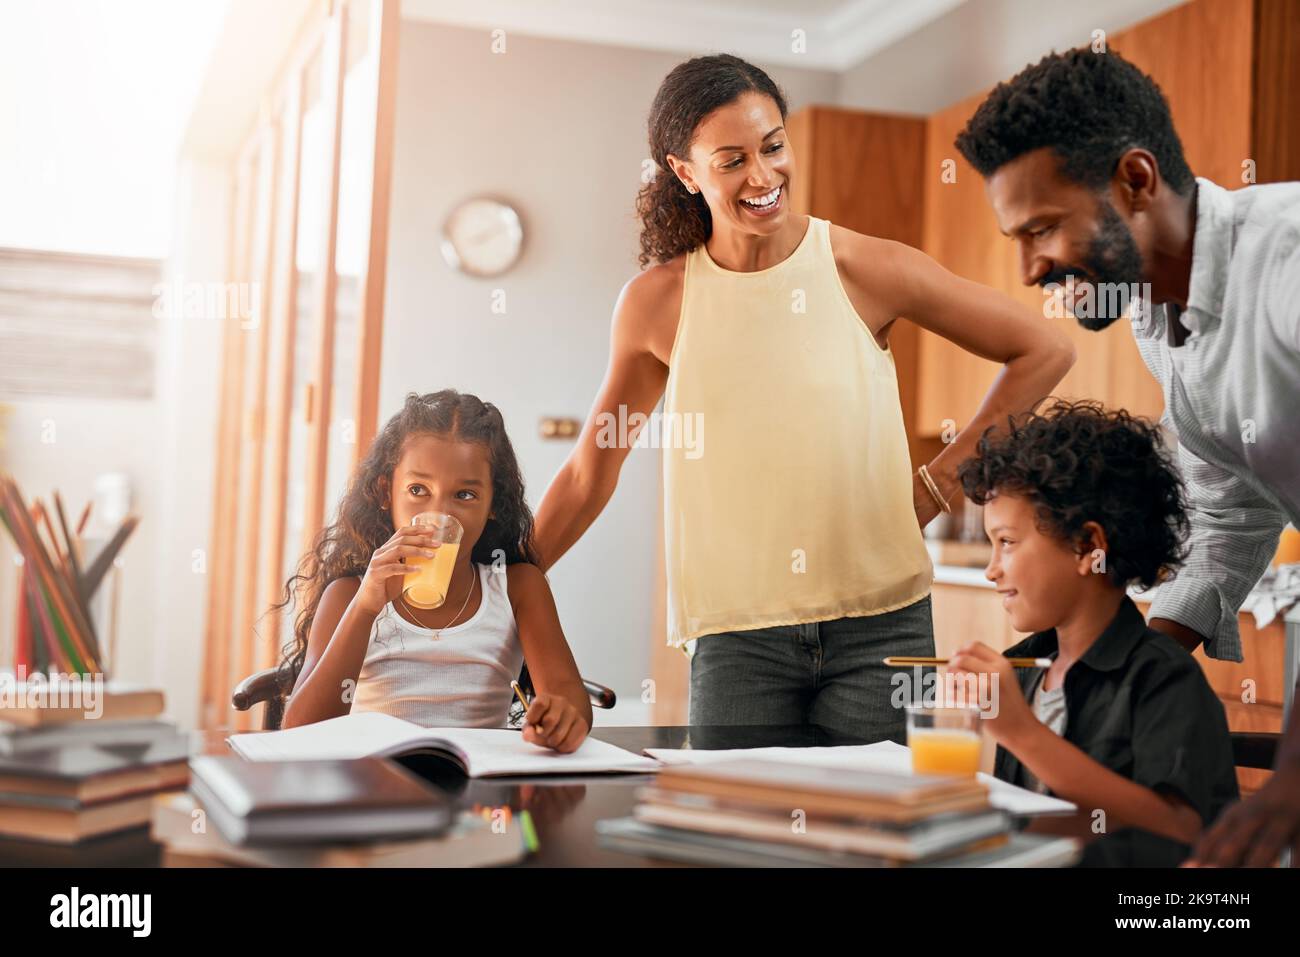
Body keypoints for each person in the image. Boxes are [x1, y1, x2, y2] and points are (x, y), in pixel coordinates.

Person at [533, 54, 1074, 740]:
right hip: (738, 639)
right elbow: (590, 472)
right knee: (740, 843)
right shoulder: (658, 305)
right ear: (685, 172)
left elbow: (1046, 348)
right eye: (731, 160)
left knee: (865, 842)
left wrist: (938, 482)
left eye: (774, 146)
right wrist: (503, 584)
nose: (762, 176)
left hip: (880, 626)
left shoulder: (864, 267)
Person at [955, 44, 1300, 864]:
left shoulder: (1285, 268)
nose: (1030, 266)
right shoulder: (1154, 311)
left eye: (1041, 228)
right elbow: (1229, 508)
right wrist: (1125, 663)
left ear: (1136, 182)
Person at [949, 400, 1238, 844]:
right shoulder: (1021, 670)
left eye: (1006, 542)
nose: (991, 569)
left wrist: (1021, 733)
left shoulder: (1163, 680)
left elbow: (1182, 828)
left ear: (1087, 547)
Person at [272, 390, 592, 752]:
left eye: (465, 495)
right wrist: (365, 608)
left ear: (494, 505)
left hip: (479, 794)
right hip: (376, 788)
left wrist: (560, 717)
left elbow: (569, 699)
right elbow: (301, 730)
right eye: (418, 489)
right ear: (385, 493)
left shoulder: (518, 587)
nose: (441, 514)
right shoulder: (349, 594)